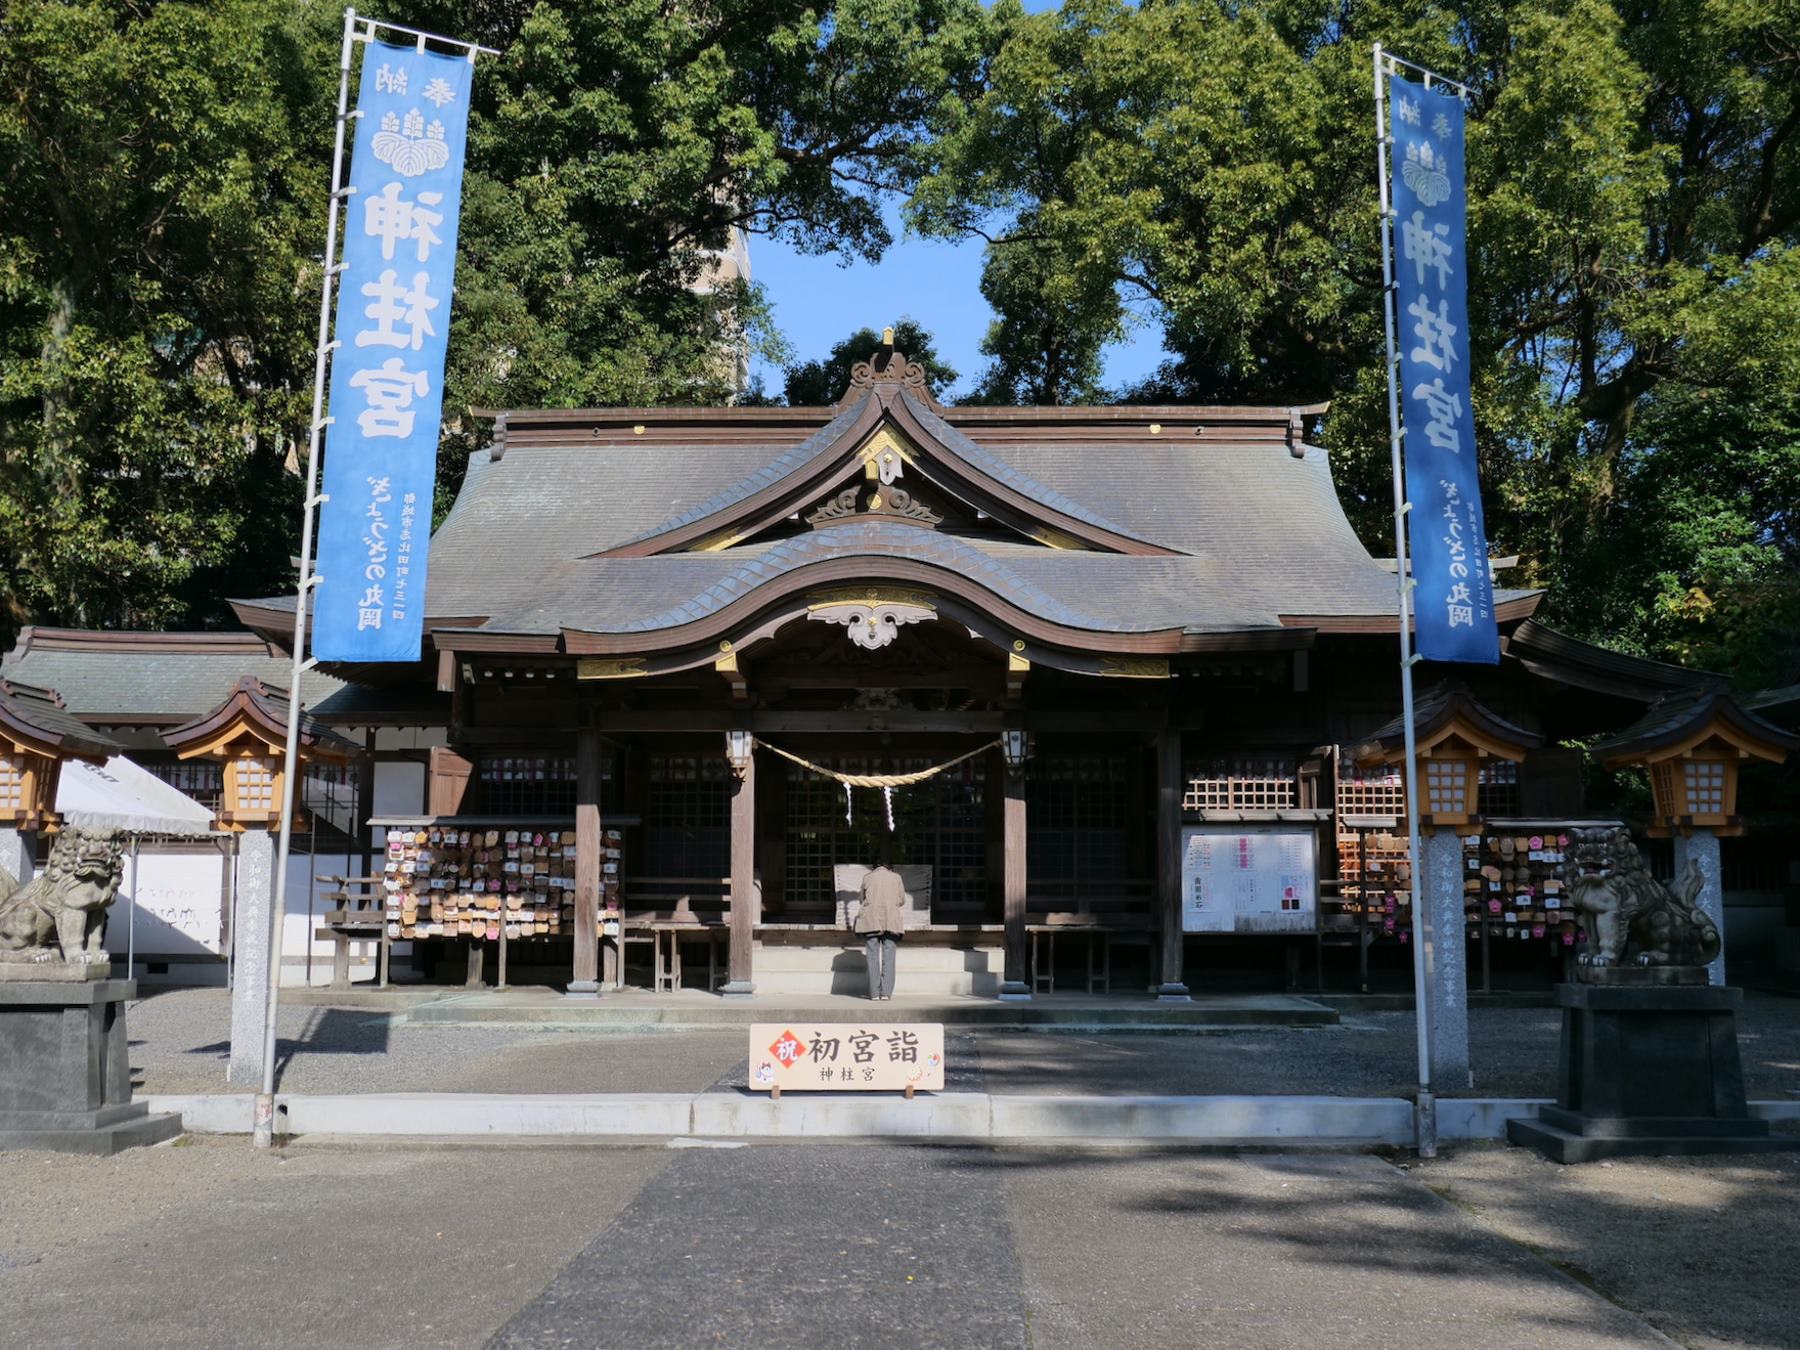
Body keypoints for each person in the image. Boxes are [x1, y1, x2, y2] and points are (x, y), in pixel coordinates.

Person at [855, 860, 907, 1001]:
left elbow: (861, 899)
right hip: (891, 920)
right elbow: (902, 900)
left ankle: (874, 993)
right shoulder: (896, 877)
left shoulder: (868, 877)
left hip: (871, 920)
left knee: (872, 956)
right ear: (889, 867)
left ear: (875, 867)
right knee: (889, 956)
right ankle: (886, 993)